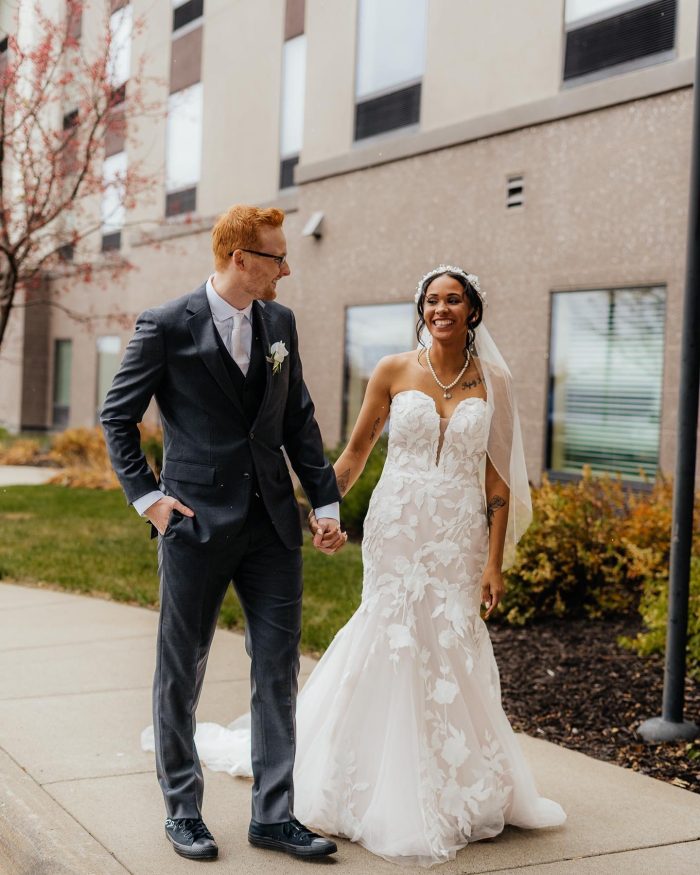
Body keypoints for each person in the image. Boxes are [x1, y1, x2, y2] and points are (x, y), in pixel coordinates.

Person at [171, 265, 567, 867]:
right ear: (421, 310)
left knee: (452, 642)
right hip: (398, 526)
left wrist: (494, 562)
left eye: (454, 300)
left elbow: (499, 480)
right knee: (392, 633)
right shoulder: (392, 370)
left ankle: (460, 782)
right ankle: (369, 783)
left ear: (473, 311)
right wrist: (324, 510)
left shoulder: (496, 382)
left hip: (457, 533)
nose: (442, 309)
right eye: (432, 300)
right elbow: (356, 453)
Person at [101, 204, 346, 862]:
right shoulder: (164, 325)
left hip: (273, 524)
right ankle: (183, 810)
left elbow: (298, 419)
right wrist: (149, 498)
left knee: (277, 671)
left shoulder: (281, 323)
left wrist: (325, 503)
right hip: (194, 522)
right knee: (181, 670)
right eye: (275, 257)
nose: (286, 268)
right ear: (240, 259)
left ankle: (274, 815)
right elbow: (117, 417)